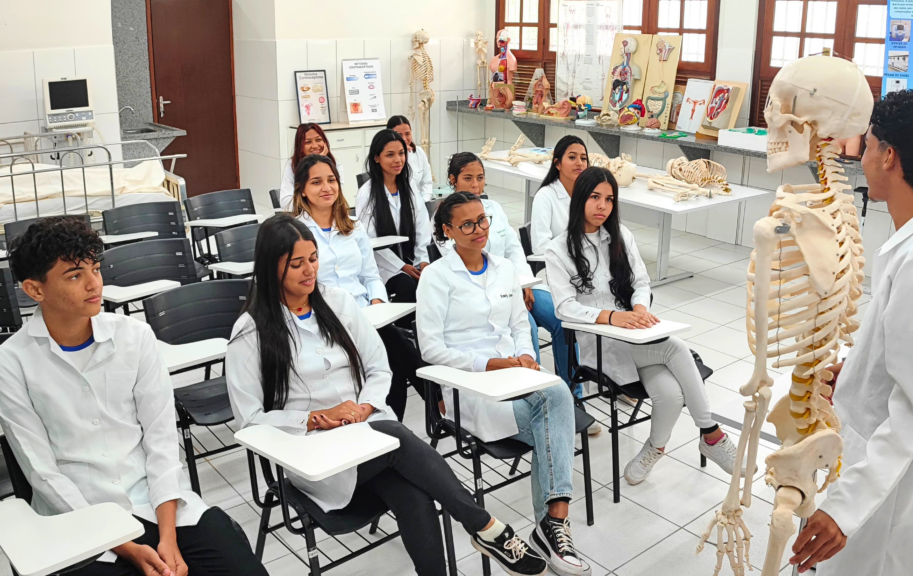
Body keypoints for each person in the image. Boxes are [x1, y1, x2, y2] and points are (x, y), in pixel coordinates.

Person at [225, 214, 547, 576]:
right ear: (271, 268)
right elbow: (248, 420)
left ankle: (476, 536)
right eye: (296, 263)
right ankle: (485, 527)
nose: (309, 270)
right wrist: (313, 419)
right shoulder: (250, 331)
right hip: (314, 455)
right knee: (395, 436)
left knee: (414, 495)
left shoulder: (338, 303)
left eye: (313, 258)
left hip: (367, 439)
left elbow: (379, 368)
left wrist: (364, 407)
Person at [0, 217, 268, 576]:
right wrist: (126, 547)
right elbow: (42, 472)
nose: (94, 283)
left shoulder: (135, 337)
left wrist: (168, 538)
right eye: (75, 276)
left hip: (158, 505)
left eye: (95, 269)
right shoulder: (11, 362)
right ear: (35, 290)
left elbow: (161, 440)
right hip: (80, 520)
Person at [789, 90, 913, 576]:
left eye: (870, 145)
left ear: (890, 156)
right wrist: (858, 370)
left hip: (890, 490)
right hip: (888, 467)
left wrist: (844, 510)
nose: (863, 157)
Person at [417, 192, 592, 576]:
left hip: (516, 375)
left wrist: (526, 356)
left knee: (556, 395)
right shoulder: (436, 277)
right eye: (467, 224)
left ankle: (553, 522)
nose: (478, 229)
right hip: (470, 387)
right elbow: (430, 349)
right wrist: (492, 364)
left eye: (482, 220)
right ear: (447, 231)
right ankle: (553, 528)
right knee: (555, 420)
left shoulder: (504, 268)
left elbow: (518, 326)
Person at [545, 167, 739, 485]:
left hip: (635, 336)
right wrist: (612, 317)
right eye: (595, 197)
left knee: (670, 393)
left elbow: (641, 283)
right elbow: (565, 308)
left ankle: (654, 448)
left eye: (609, 199)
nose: (602, 206)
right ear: (579, 198)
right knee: (675, 348)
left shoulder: (621, 236)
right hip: (601, 344)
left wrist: (638, 308)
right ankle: (711, 433)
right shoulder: (558, 250)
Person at [290, 153, 425, 419]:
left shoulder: (353, 227)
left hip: (365, 314)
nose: (326, 187)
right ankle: (432, 405)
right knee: (395, 349)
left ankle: (395, 421)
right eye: (316, 182)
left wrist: (377, 303)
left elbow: (371, 276)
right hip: (325, 318)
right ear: (302, 190)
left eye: (331, 180)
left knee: (392, 351)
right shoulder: (294, 233)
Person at [441, 152, 578, 395]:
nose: (475, 185)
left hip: (521, 283)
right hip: (490, 292)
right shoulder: (448, 219)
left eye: (480, 178)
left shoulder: (494, 209)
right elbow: (461, 266)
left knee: (561, 317)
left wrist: (524, 284)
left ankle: (572, 393)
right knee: (528, 328)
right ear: (454, 180)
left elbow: (514, 249)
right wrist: (511, 288)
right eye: (468, 178)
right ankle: (531, 391)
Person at [355, 129, 432, 313]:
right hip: (384, 266)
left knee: (433, 285)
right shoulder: (366, 194)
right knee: (408, 288)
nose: (398, 160)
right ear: (376, 158)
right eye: (390, 155)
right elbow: (370, 241)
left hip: (413, 260)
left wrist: (423, 261)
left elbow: (422, 226)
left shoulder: (409, 186)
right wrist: (401, 266)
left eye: (401, 153)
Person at [531, 135, 589, 255]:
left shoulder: (589, 194)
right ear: (558, 164)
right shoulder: (545, 196)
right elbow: (540, 246)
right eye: (572, 157)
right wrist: (575, 251)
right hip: (559, 261)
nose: (579, 163)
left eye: (583, 158)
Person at [281, 123, 339, 210]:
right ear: (300, 146)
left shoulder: (335, 164)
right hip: (302, 214)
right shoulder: (292, 165)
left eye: (318, 140)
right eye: (308, 142)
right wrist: (316, 163)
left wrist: (320, 161)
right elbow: (285, 202)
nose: (315, 146)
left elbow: (336, 198)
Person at [388, 115, 434, 202]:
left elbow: (427, 181)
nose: (404, 138)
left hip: (419, 202)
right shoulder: (385, 157)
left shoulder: (418, 152)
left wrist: (423, 201)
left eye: (407, 134)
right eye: (399, 135)